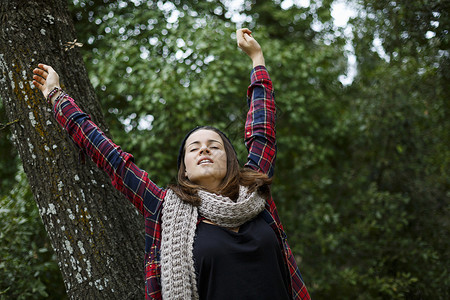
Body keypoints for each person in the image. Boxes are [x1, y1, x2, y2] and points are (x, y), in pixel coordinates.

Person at [33, 28, 310, 300]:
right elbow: (110, 157)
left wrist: (257, 59)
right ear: (185, 169)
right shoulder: (164, 207)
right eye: (194, 147)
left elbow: (263, 130)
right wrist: (57, 96)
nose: (204, 149)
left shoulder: (256, 193)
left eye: (214, 146)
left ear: (231, 160)